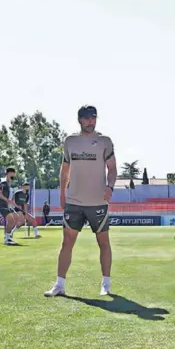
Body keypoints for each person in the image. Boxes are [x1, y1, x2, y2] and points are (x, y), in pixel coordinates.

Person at [44, 105, 117, 297]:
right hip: (74, 201)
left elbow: (113, 168)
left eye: (93, 118)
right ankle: (59, 285)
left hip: (98, 202)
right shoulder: (70, 141)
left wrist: (110, 187)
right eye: (86, 118)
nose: (90, 121)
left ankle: (106, 284)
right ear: (80, 120)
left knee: (103, 242)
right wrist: (62, 193)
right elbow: (65, 170)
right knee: (67, 242)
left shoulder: (105, 141)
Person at [0, 167, 25, 245]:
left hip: (7, 205)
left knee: (17, 217)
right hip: (1, 205)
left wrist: (15, 205)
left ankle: (9, 235)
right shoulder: (3, 182)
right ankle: (7, 238)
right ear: (9, 173)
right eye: (13, 173)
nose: (14, 175)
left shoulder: (9, 184)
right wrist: (7, 200)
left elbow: (9, 199)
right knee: (11, 219)